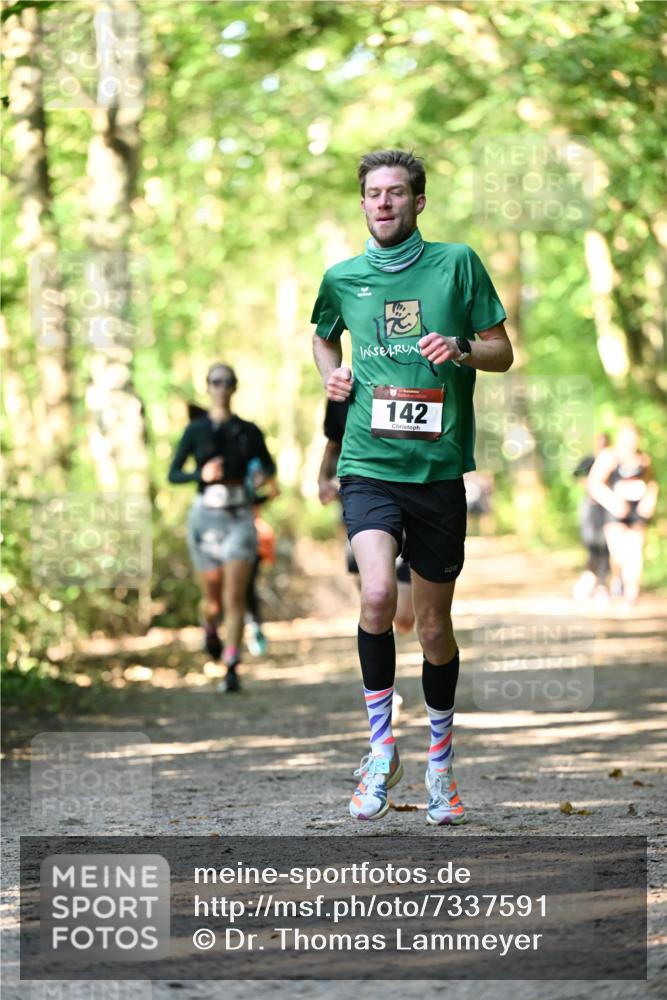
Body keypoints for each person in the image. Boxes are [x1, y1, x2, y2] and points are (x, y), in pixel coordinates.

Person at [311, 149, 512, 824]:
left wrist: (458, 348)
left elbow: (501, 351)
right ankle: (378, 751)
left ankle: (441, 769)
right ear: (362, 203)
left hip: (436, 471)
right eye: (373, 194)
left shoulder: (456, 264)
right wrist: (330, 377)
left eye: (397, 193)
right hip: (368, 463)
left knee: (430, 629)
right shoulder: (342, 278)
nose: (384, 203)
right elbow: (322, 340)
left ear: (418, 201)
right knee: (373, 595)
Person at [168, 363, 277, 691]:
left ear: (234, 387)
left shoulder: (248, 430)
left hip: (240, 518)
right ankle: (210, 628)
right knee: (212, 599)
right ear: (208, 386)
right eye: (216, 381)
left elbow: (269, 466)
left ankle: (232, 663)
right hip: (205, 519)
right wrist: (199, 475)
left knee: (235, 594)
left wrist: (263, 475)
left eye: (227, 382)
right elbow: (173, 473)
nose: (222, 387)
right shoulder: (195, 430)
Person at [318, 398, 415, 636]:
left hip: (412, 494)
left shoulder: (418, 375)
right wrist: (322, 480)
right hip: (361, 496)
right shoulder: (345, 387)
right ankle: (378, 639)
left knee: (404, 619)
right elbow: (333, 443)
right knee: (375, 598)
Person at [587, 422, 658, 605]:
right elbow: (594, 483)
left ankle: (631, 592)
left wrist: (649, 500)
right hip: (615, 512)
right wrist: (612, 501)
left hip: (636, 512)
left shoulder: (643, 459)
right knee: (618, 552)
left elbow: (651, 483)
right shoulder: (609, 457)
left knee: (635, 551)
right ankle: (617, 580)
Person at [572, 433, 611, 601]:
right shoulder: (589, 461)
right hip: (591, 508)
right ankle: (591, 582)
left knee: (606, 547)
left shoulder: (612, 461)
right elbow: (576, 475)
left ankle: (602, 584)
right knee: (592, 546)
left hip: (608, 509)